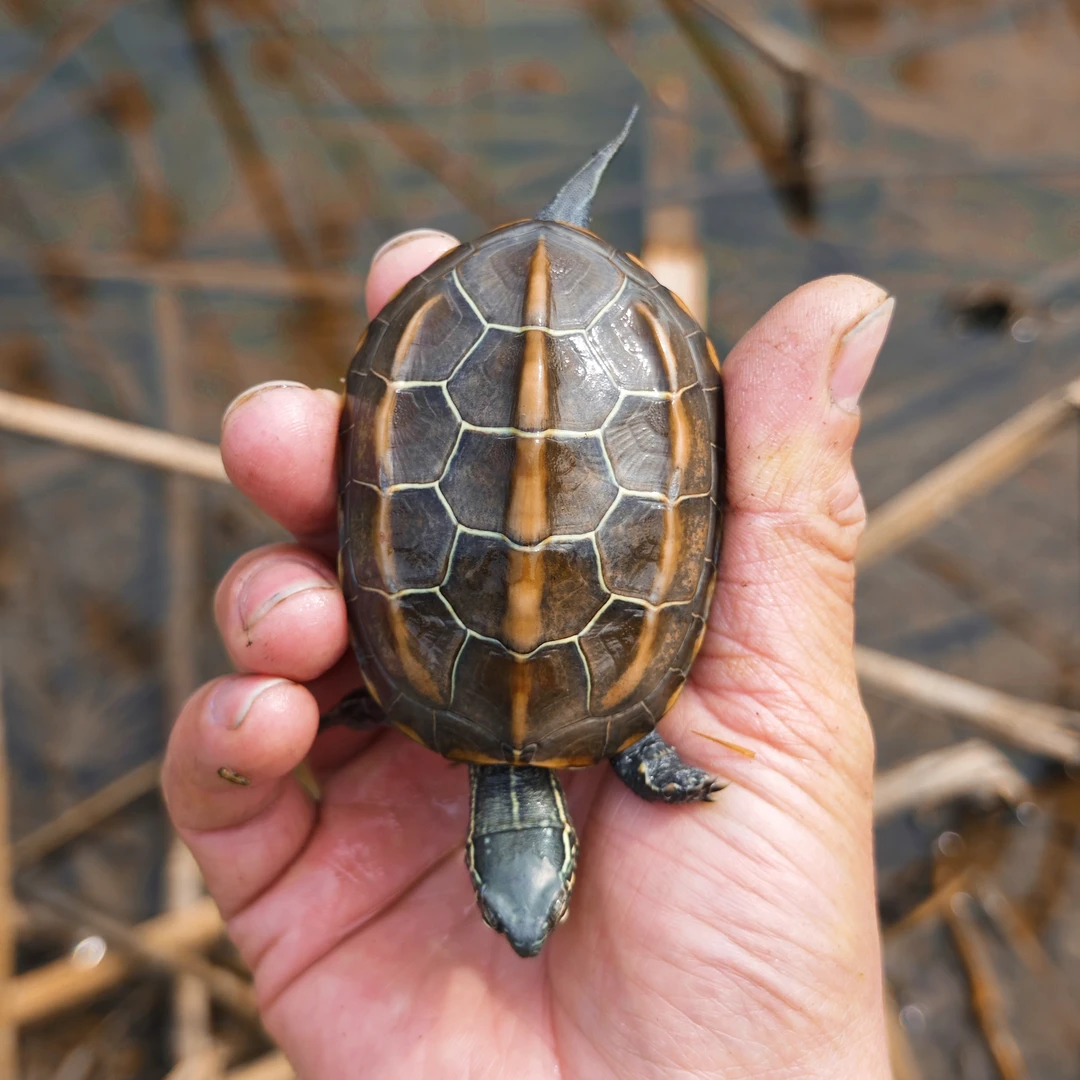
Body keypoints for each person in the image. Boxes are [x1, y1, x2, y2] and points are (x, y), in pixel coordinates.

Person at [162, 227, 895, 1078]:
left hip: (488, 337)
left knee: (288, 615)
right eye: (541, 917)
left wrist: (641, 752)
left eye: (505, 910)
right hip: (614, 347)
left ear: (488, 857)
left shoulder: (607, 712)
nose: (523, 942)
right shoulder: (409, 691)